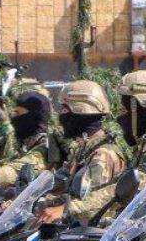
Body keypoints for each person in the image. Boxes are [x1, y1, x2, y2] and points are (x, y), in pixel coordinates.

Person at [39, 80, 126, 226]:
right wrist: (33, 199)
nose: (61, 116)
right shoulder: (83, 149)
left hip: (94, 236)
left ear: (80, 111)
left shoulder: (103, 154)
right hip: (75, 231)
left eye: (65, 110)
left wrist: (63, 209)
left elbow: (92, 202)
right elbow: (59, 183)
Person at [0, 88, 55, 193]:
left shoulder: (48, 145)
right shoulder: (24, 143)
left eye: (18, 114)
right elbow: (5, 164)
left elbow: (15, 171)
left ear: (34, 116)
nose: (14, 118)